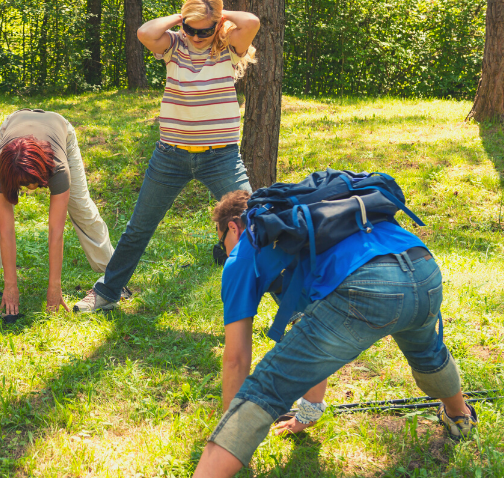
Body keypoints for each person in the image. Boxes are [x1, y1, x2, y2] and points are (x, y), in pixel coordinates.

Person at [192, 190, 477, 477]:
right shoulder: (310, 221)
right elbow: (311, 332)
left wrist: (229, 435)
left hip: (370, 284)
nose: (224, 251)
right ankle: (460, 417)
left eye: (221, 243)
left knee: (266, 387)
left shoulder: (245, 251)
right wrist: (308, 413)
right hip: (422, 266)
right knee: (427, 353)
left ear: (232, 227)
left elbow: (236, 360)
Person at [73, 0, 259, 312]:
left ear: (216, 25)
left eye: (205, 30)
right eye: (192, 29)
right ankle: (107, 293)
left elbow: (252, 21)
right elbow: (144, 32)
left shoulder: (228, 47)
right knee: (138, 228)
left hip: (221, 157)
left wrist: (218, 17)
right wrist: (182, 20)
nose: (198, 36)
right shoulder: (174, 45)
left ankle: (291, 299)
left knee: (256, 223)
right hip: (170, 156)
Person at [0, 109, 126, 315]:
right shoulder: (0, 170)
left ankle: (115, 279)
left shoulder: (58, 169)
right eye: (21, 185)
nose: (29, 189)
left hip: (59, 131)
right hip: (13, 127)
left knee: (81, 206)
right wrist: (10, 286)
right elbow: (7, 232)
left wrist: (54, 287)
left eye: (31, 183)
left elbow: (55, 232)